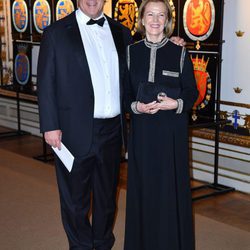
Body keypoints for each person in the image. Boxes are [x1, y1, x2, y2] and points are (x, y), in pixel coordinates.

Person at [37, 0, 185, 249]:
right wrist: (49, 125)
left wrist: (172, 43)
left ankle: (103, 243)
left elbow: (144, 54)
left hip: (113, 132)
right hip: (72, 131)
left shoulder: (121, 32)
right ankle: (81, 246)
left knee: (107, 199)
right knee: (75, 200)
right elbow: (46, 81)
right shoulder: (56, 33)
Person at [124, 0, 198, 249]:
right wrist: (137, 107)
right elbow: (123, 94)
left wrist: (174, 104)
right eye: (150, 14)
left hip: (170, 136)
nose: (155, 20)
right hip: (142, 134)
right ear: (142, 19)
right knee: (142, 190)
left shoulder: (179, 52)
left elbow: (191, 92)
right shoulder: (131, 52)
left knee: (169, 192)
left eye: (161, 15)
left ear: (167, 21)